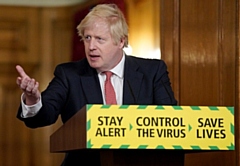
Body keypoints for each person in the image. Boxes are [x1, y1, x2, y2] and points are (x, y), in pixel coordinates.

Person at [16, 3, 177, 166]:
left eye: (100, 39)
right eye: (87, 38)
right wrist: (33, 99)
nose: (91, 47)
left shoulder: (152, 71)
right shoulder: (69, 74)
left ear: (121, 41)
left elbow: (171, 121)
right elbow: (44, 115)